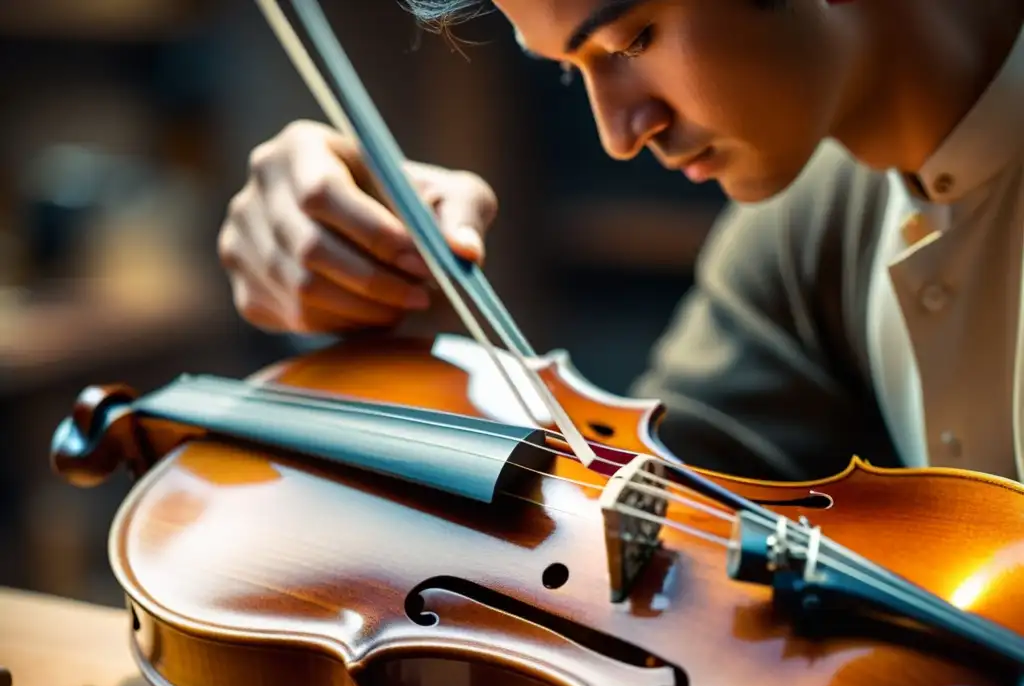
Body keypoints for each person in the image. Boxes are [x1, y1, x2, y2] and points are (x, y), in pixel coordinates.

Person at [217, 0, 1024, 483]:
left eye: (633, 40)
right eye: (575, 68)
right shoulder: (802, 226)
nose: (620, 133)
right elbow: (664, 501)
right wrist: (381, 297)